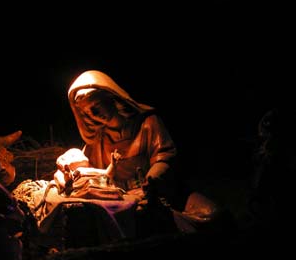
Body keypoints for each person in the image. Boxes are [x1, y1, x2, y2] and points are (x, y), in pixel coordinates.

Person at [67, 70, 222, 236]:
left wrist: (152, 182)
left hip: (162, 192)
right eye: (87, 112)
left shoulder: (147, 124)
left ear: (111, 97)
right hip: (122, 199)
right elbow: (86, 169)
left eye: (95, 106)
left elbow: (165, 156)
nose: (93, 115)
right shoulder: (98, 139)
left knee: (211, 215)